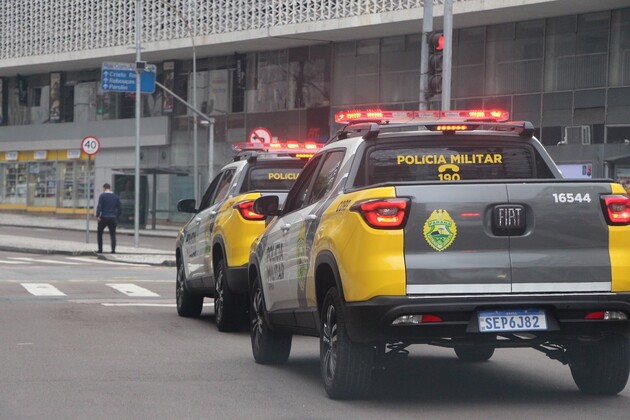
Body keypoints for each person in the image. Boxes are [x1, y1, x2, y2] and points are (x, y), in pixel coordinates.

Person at [96, 183, 122, 254]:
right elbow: (120, 208)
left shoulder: (102, 196)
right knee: (113, 234)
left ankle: (100, 249)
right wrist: (116, 216)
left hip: (104, 217)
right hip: (112, 218)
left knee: (100, 233)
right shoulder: (115, 197)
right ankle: (113, 250)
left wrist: (98, 216)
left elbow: (99, 206)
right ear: (110, 188)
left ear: (104, 188)